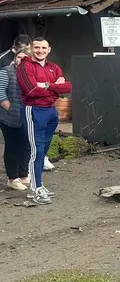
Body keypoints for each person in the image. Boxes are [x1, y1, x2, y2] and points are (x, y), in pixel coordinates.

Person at [17, 37, 71, 205]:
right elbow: (31, 90)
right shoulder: (25, 66)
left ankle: (37, 185)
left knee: (44, 150)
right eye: (37, 47)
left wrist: (46, 85)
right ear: (31, 49)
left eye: (43, 48)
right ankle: (35, 188)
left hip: (51, 112)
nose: (40, 51)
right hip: (33, 110)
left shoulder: (53, 67)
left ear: (49, 50)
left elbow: (67, 88)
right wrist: (54, 86)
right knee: (36, 151)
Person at [0, 49, 31, 190]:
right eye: (19, 57)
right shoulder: (6, 71)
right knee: (12, 146)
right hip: (9, 118)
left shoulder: (31, 73)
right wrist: (11, 109)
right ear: (15, 57)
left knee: (26, 145)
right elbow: (0, 94)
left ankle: (23, 175)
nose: (22, 60)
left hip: (28, 115)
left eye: (25, 57)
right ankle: (12, 178)